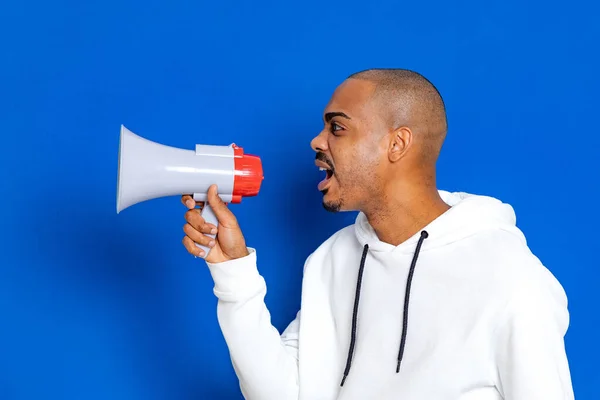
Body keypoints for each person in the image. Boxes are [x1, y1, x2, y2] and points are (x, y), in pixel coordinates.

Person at [180, 69, 574, 400]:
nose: (317, 142)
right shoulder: (330, 260)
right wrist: (233, 273)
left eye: (337, 128)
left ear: (397, 144)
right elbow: (283, 393)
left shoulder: (510, 278)